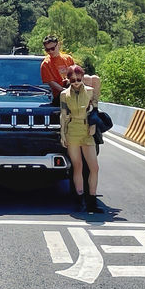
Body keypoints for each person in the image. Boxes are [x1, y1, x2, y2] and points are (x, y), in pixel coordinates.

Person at [60, 64, 104, 214]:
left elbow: (95, 110)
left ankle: (91, 200)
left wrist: (93, 125)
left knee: (94, 167)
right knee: (77, 166)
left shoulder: (91, 92)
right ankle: (80, 200)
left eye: (78, 79)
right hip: (72, 129)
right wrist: (62, 134)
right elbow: (63, 115)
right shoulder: (64, 94)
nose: (76, 82)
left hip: (87, 130)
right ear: (68, 79)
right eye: (72, 80)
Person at [40, 35, 101, 104]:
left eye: (52, 48)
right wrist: (65, 90)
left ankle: (93, 104)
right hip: (60, 93)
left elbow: (76, 74)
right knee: (86, 79)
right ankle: (85, 103)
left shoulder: (68, 58)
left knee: (94, 78)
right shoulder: (45, 64)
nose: (50, 51)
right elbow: (51, 83)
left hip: (72, 84)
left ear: (58, 45)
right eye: (47, 50)